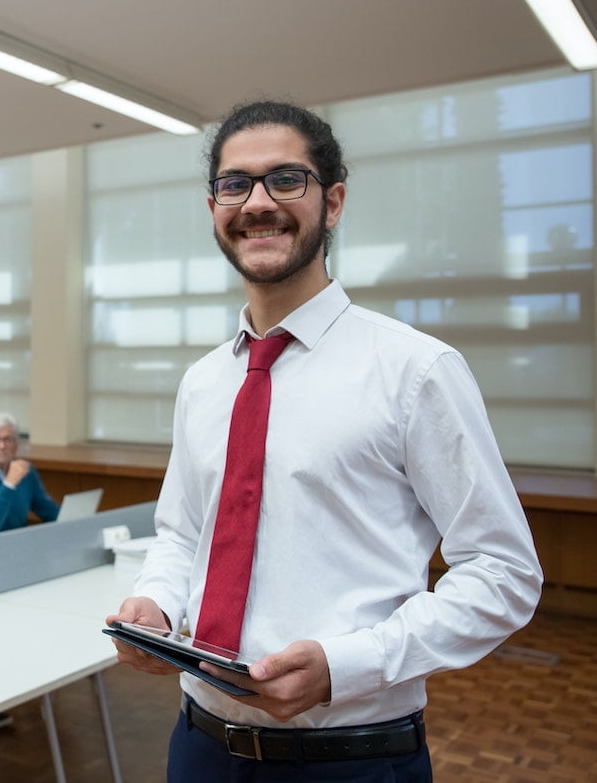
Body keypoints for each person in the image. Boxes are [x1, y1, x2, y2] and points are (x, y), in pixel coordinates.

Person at [107, 100, 542, 781]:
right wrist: (156, 601)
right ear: (213, 205)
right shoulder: (203, 381)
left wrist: (348, 665)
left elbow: (503, 573)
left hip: (350, 758)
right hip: (197, 745)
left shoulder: (413, 370)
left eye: (285, 179)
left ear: (332, 202)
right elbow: (182, 534)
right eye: (235, 183)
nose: (257, 202)